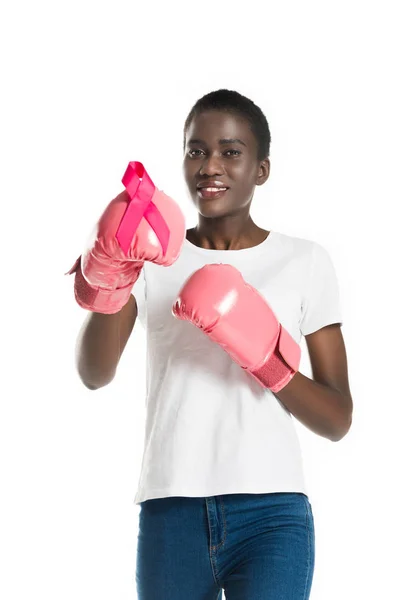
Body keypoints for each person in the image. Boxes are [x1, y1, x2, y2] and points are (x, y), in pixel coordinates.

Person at [70, 89, 353, 599]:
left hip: (273, 513)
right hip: (170, 507)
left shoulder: (306, 261)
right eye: (196, 150)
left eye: (230, 150)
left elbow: (337, 419)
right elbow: (94, 373)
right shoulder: (156, 259)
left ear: (262, 169)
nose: (210, 165)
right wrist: (112, 273)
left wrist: (269, 361)